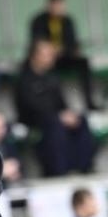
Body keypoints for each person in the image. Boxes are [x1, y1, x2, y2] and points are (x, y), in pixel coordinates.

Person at [15, 41, 96, 177]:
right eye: (47, 54)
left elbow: (61, 102)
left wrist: (69, 114)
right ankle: (58, 170)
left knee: (81, 120)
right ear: (34, 56)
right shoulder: (24, 78)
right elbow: (29, 106)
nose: (51, 58)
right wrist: (58, 116)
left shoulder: (52, 77)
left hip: (55, 117)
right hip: (33, 120)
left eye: (52, 55)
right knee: (54, 124)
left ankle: (84, 167)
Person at [29, 0, 101, 111]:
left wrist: (65, 49)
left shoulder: (68, 20)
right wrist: (51, 50)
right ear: (49, 5)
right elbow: (37, 42)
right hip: (46, 59)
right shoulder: (39, 20)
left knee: (83, 62)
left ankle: (89, 102)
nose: (58, 8)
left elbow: (72, 42)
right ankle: (57, 106)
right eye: (56, 5)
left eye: (60, 5)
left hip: (64, 57)